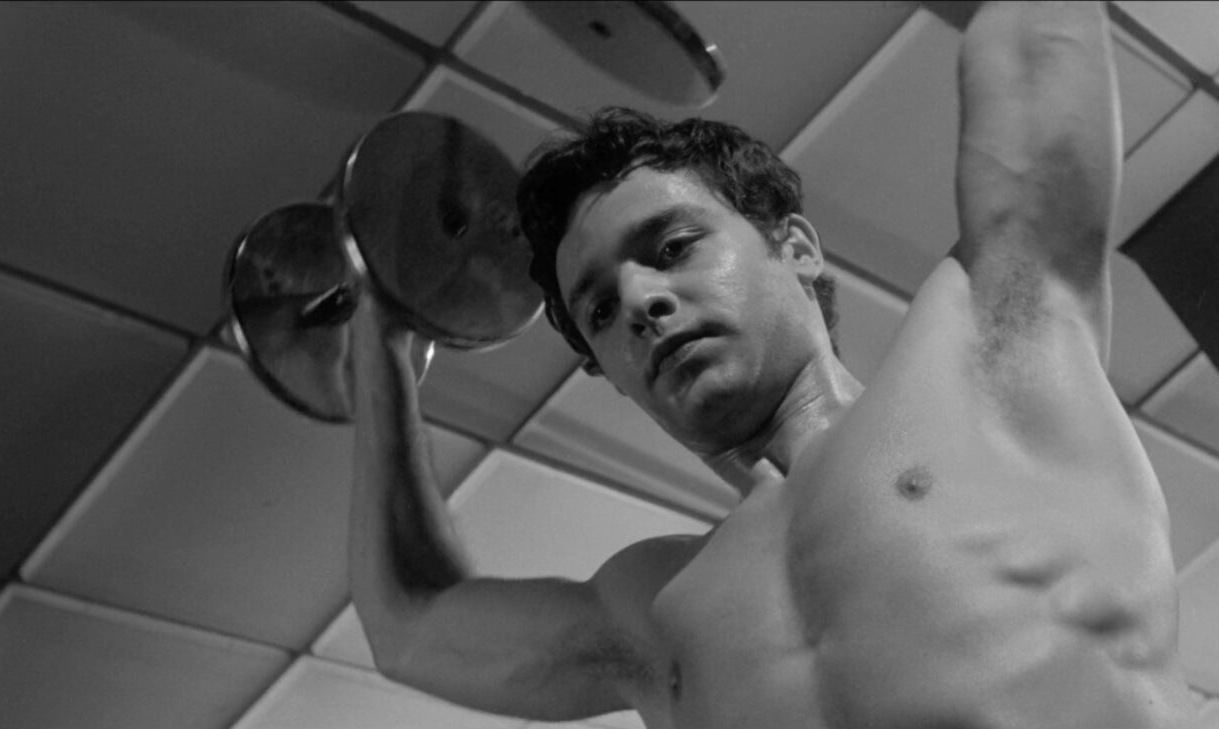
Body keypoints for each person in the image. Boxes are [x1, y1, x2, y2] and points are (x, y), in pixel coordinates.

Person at [347, 2, 1204, 727]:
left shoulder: (983, 362)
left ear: (795, 246)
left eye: (672, 247)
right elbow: (409, 626)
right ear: (605, 370)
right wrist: (379, 334)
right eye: (599, 309)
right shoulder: (653, 611)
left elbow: (1037, 44)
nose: (640, 300)